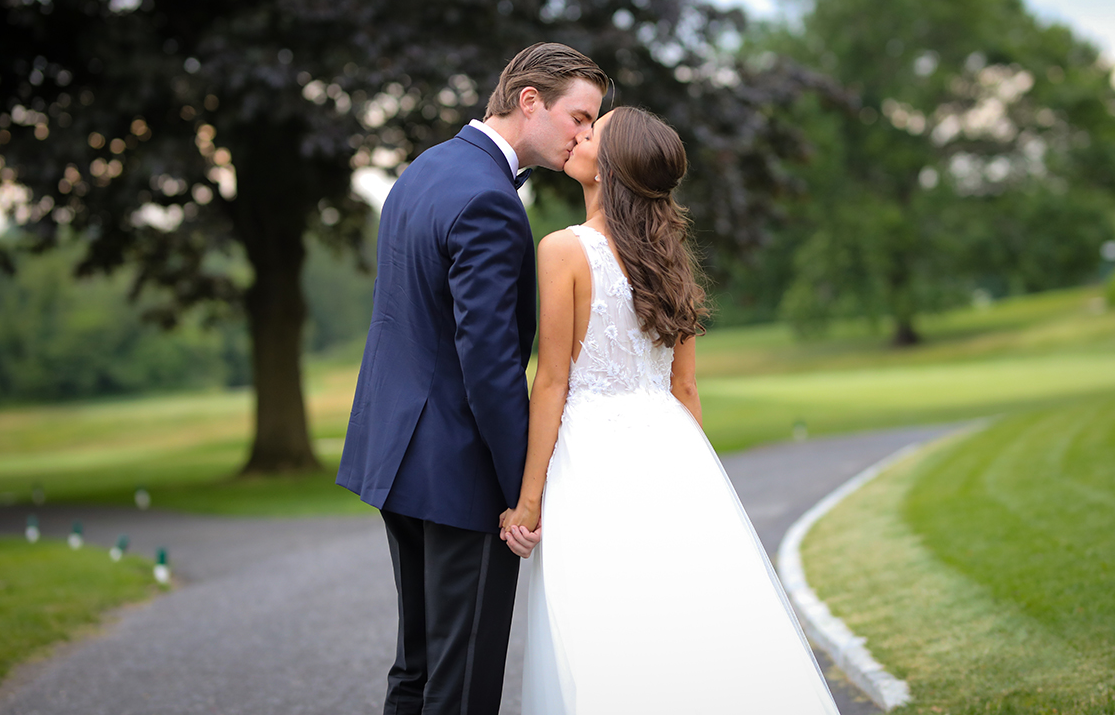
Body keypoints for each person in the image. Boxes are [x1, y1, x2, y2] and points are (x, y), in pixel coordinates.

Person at [500, 107, 842, 714]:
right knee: (692, 616)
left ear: (611, 170)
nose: (578, 135)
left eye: (592, 133)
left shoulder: (562, 250)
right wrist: (700, 482)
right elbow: (685, 389)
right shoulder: (671, 259)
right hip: (673, 451)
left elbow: (551, 382)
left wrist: (528, 503)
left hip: (593, 463)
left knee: (608, 626)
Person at [337, 43, 610, 715]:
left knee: (418, 669)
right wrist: (526, 487)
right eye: (579, 116)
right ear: (529, 101)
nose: (585, 134)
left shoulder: (425, 171)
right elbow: (488, 364)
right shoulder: (490, 201)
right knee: (459, 690)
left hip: (396, 461)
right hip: (459, 474)